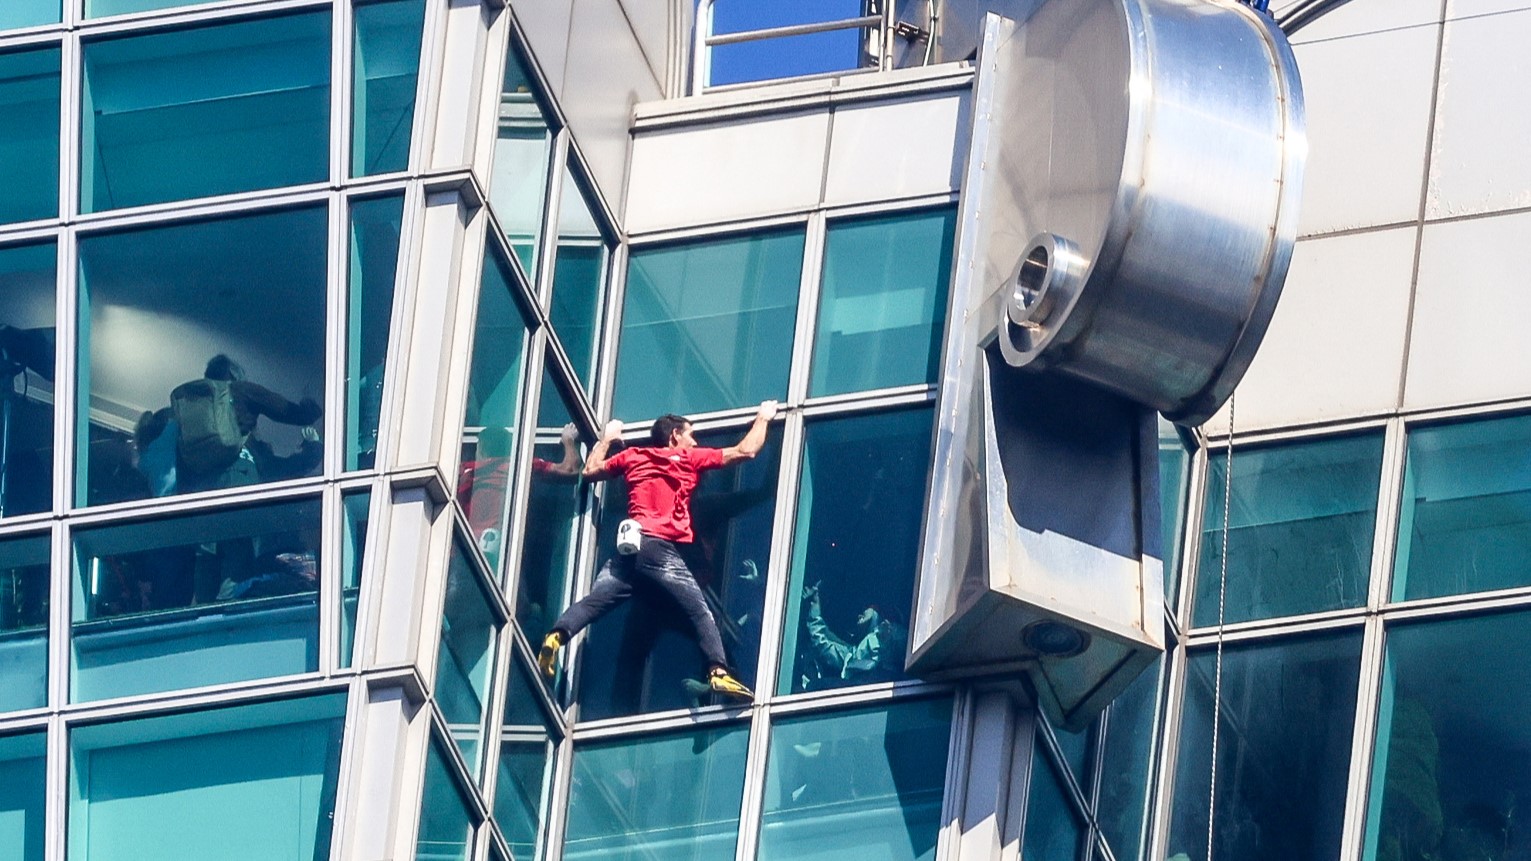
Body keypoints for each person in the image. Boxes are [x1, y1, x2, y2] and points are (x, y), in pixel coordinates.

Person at [536, 400, 779, 700]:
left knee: (595, 602)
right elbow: (745, 451)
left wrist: (608, 439)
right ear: (675, 435)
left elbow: (590, 470)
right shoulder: (687, 458)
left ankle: (555, 636)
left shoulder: (633, 456)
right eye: (691, 435)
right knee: (700, 612)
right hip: (659, 549)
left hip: (629, 548)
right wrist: (763, 418)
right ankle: (718, 672)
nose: (695, 442)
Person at [801, 582, 907, 685]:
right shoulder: (851, 654)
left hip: (889, 685)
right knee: (817, 685)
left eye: (865, 608)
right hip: (860, 686)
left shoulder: (896, 632)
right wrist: (815, 605)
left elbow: (907, 650)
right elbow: (823, 643)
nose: (859, 615)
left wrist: (886, 641)